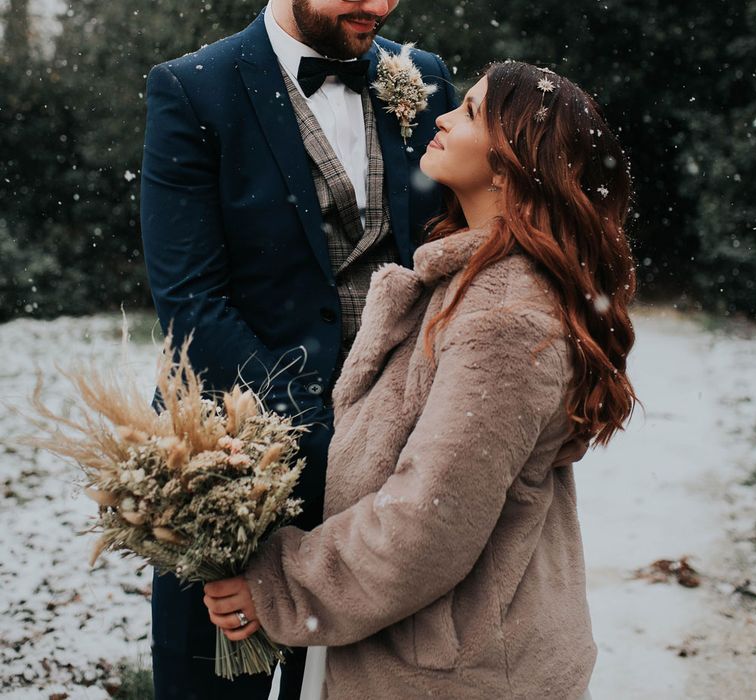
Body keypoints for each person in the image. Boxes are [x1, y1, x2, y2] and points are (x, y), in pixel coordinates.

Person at [202, 60, 638, 699]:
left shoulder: (506, 316)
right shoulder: (475, 283)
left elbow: (431, 521)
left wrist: (283, 585)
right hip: (429, 652)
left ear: (512, 159)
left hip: (459, 672)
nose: (441, 117)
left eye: (468, 113)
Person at [139, 0, 458, 697]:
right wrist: (320, 433)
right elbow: (192, 305)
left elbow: (451, 250)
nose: (378, 5)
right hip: (234, 463)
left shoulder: (422, 77)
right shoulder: (192, 88)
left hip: (390, 474)